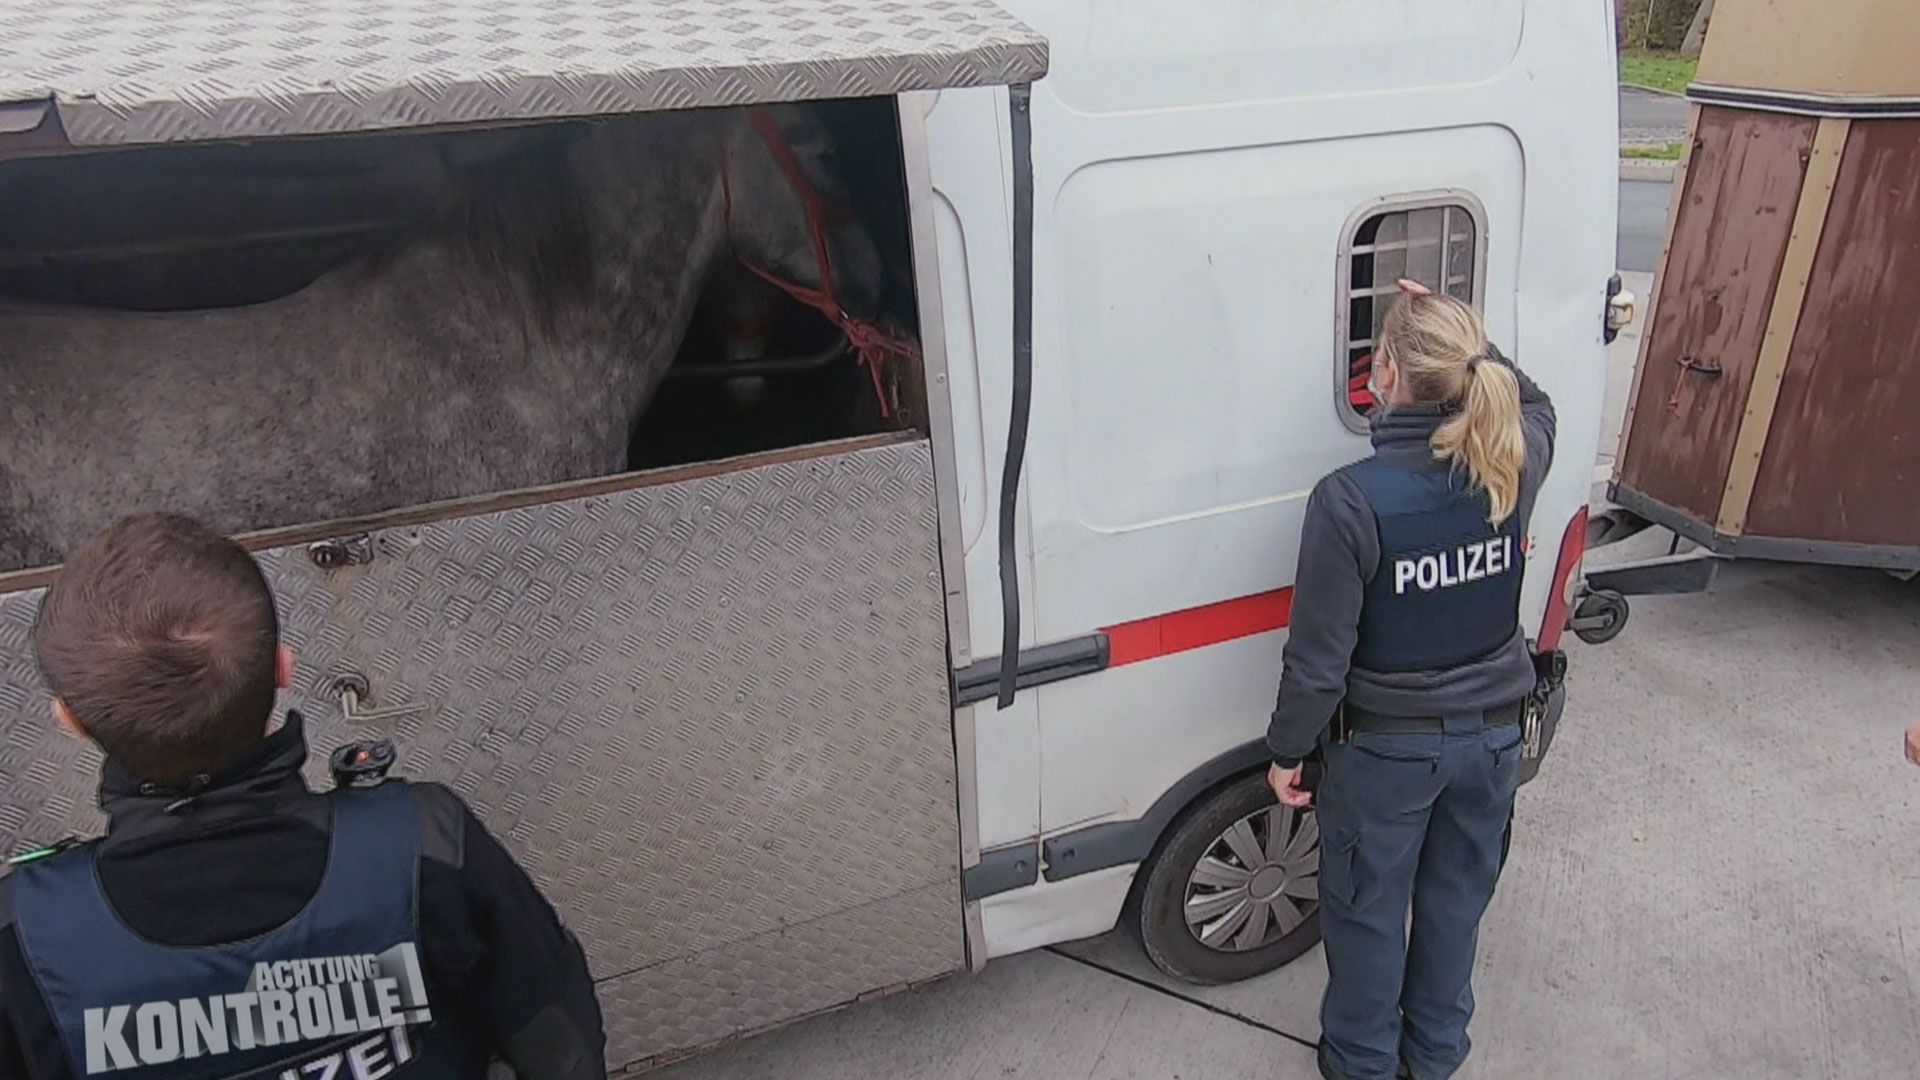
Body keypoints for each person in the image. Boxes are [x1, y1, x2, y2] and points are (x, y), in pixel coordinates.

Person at [0, 513, 606, 1079]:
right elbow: (559, 1041)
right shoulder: (424, 841)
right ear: (285, 669)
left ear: (68, 718)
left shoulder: (25, 931)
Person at [1265, 281, 1554, 1080]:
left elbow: (1319, 660)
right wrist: (1475, 343)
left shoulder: (1350, 501)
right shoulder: (1511, 464)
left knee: (1365, 918)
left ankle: (1361, 1065)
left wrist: (1287, 750)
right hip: (1494, 742)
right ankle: (1434, 1059)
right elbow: (1541, 405)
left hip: (1386, 757)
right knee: (1456, 909)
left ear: (1384, 370)